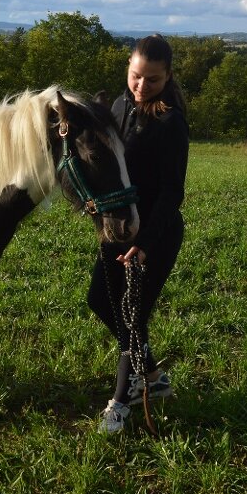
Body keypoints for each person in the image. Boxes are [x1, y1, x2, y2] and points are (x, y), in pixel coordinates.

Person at [88, 34, 189, 434]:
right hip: (117, 229)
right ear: (128, 68)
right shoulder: (117, 105)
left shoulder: (170, 122)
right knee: (100, 301)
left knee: (133, 318)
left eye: (152, 80)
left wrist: (145, 244)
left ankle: (121, 402)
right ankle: (152, 376)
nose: (142, 86)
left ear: (167, 77)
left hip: (155, 236)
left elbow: (172, 192)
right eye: (136, 76)